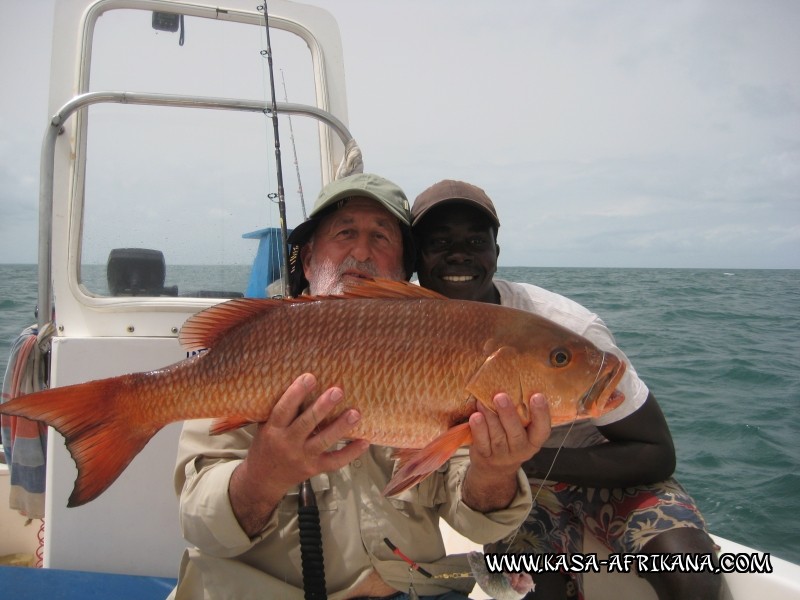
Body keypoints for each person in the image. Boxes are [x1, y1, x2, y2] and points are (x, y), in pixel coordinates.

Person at [168, 173, 552, 600]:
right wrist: (263, 474)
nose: (362, 251)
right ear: (309, 260)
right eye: (345, 232)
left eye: (381, 237)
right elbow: (202, 528)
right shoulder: (261, 347)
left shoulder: (441, 353)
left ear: (402, 269)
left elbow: (478, 523)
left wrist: (495, 470)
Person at [411, 180, 722, 600]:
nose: (460, 253)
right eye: (440, 241)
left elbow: (655, 451)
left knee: (693, 577)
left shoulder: (568, 330)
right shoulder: (399, 330)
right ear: (416, 257)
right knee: (538, 591)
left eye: (475, 240)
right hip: (513, 490)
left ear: (496, 254)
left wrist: (525, 457)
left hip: (606, 474)